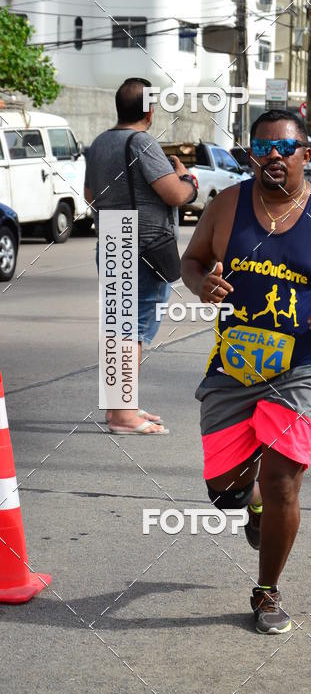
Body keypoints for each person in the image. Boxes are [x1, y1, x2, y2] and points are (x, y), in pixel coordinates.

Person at [181, 109, 311, 634]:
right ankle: (247, 505)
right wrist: (202, 285)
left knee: (282, 481)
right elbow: (193, 260)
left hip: (303, 365)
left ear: (305, 156)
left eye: (285, 148)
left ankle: (266, 592)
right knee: (226, 488)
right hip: (234, 363)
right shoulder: (227, 205)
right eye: (263, 147)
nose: (274, 156)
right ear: (251, 154)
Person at [84, 77, 197, 435]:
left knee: (119, 328)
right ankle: (123, 415)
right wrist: (186, 179)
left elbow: (90, 195)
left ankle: (121, 406)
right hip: (145, 246)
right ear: (149, 110)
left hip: (114, 238)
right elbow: (174, 194)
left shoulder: (100, 143)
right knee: (134, 330)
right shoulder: (141, 142)